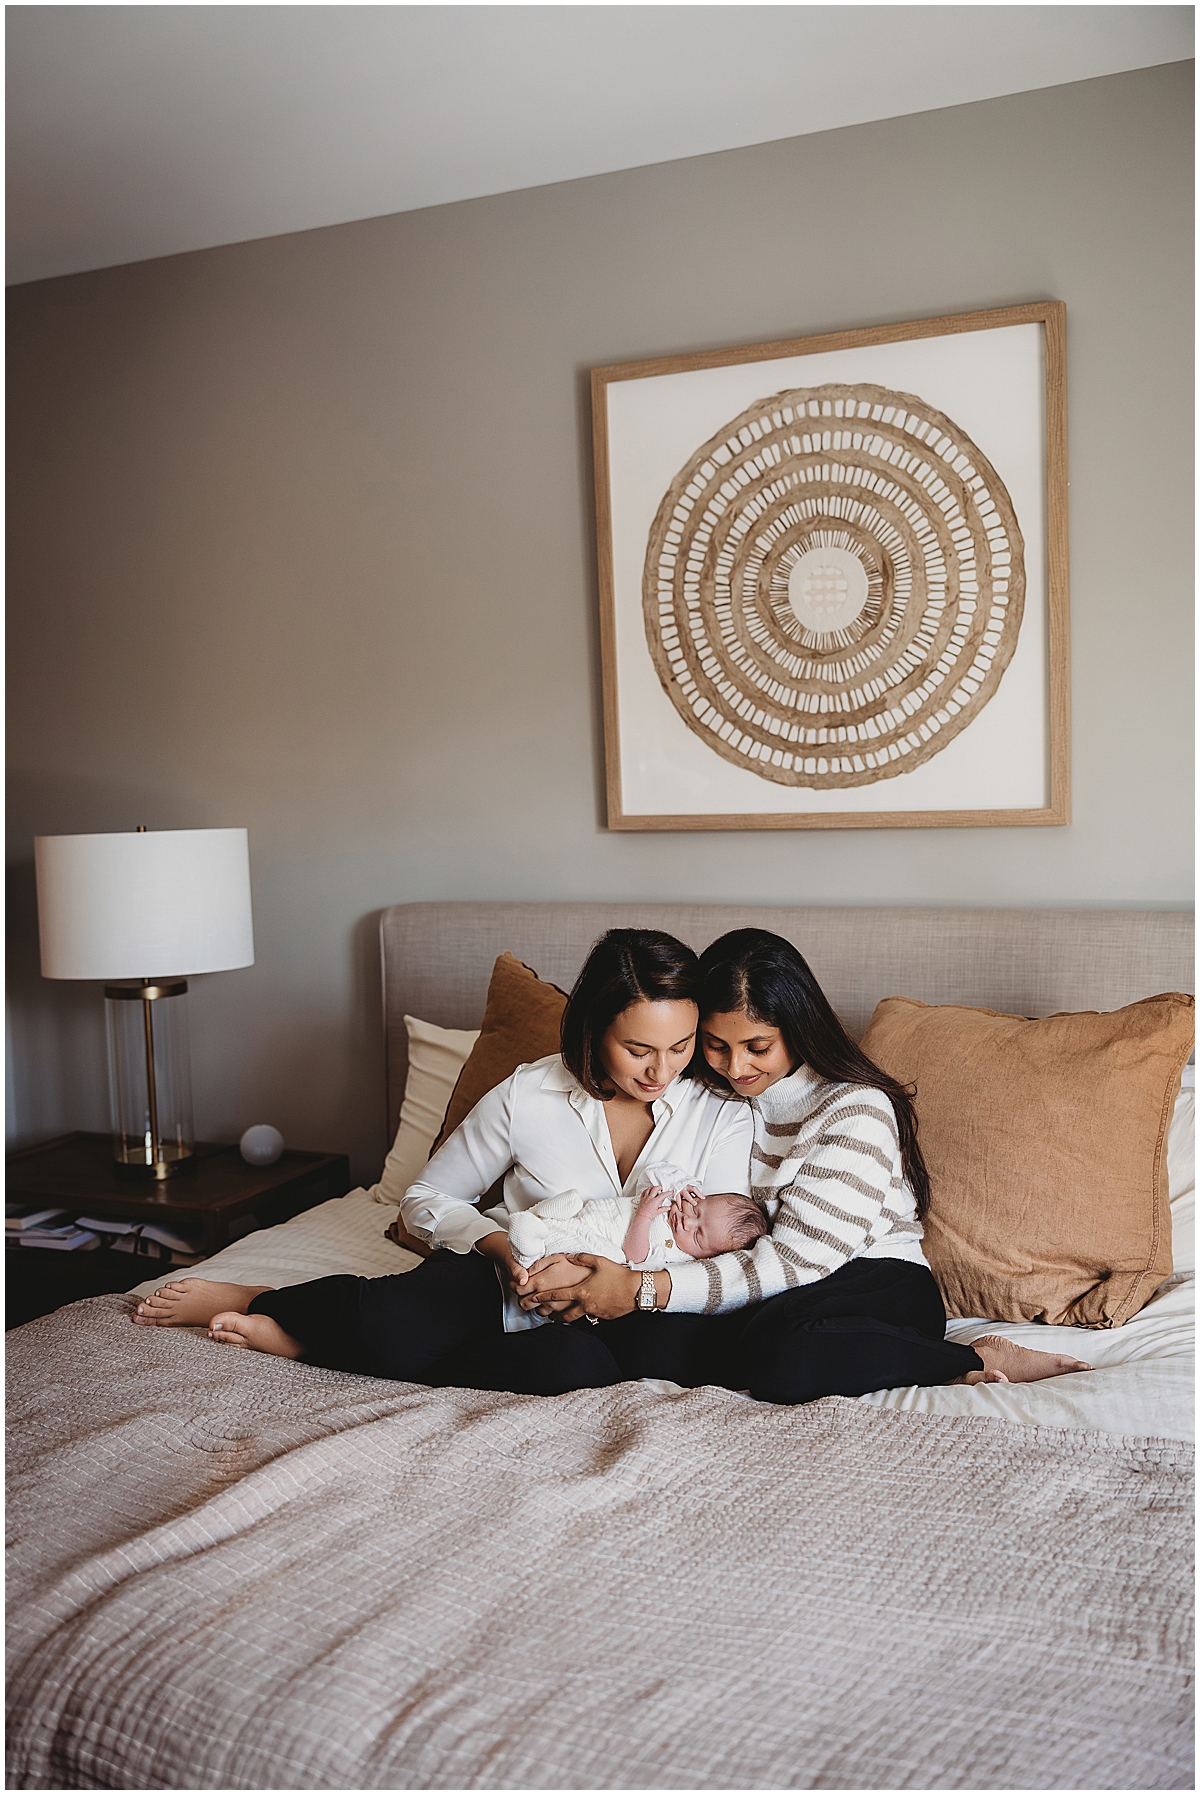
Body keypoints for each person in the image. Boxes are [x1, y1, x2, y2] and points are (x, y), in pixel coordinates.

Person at [130, 928, 754, 1396]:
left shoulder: (720, 1109)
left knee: (582, 1369)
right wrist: (499, 1247)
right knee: (393, 1327)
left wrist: (625, 1288)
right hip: (511, 1274)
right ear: (594, 1032)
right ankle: (272, 1299)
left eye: (680, 1046)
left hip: (636, 1301)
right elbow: (426, 1198)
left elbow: (719, 1249)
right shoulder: (529, 1094)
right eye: (638, 1049)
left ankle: (319, 1343)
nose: (661, 1071)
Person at [517, 928, 1092, 1402]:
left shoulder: (852, 1109)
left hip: (874, 1281)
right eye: (714, 1045)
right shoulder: (709, 1096)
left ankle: (969, 1355)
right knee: (642, 1346)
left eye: (757, 1047)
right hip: (772, 1288)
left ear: (797, 1026)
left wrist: (646, 1289)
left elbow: (792, 1263)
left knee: (783, 1354)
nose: (735, 1066)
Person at [506, 1167, 767, 1274]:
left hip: (592, 1245)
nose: (687, 1222)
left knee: (609, 1257)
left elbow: (634, 1257)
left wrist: (643, 1216)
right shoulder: (671, 1201)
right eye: (697, 1209)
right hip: (589, 1215)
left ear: (706, 1257)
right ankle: (539, 1217)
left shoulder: (676, 1256)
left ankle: (531, 1248)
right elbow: (650, 1174)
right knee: (572, 1201)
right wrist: (680, 1184)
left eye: (698, 1235)